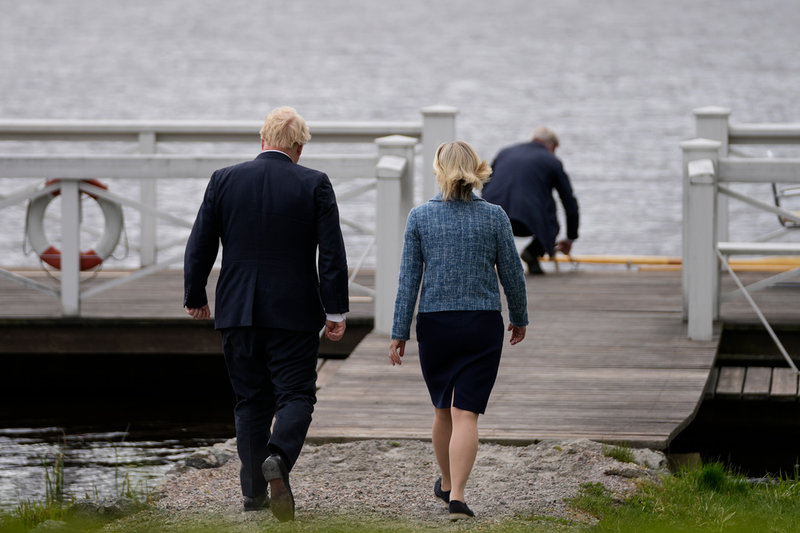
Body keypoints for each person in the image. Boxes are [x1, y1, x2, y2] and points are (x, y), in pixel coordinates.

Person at [183, 106, 349, 522]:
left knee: (250, 401)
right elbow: (331, 254)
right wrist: (336, 311)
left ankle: (253, 494)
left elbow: (200, 241)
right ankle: (278, 455)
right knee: (296, 395)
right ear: (299, 146)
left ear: (263, 140)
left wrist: (195, 294)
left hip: (237, 309)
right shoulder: (314, 183)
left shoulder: (224, 179)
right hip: (293, 312)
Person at [388, 141, 528, 520]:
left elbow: (408, 281)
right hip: (481, 323)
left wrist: (398, 331)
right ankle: (458, 496)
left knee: (442, 410)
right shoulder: (495, 216)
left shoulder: (419, 217)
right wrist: (520, 316)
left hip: (435, 324)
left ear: (438, 170)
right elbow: (513, 273)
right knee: (466, 413)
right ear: (476, 169)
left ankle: (447, 482)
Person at [481, 126, 579, 274]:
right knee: (552, 222)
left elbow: (485, 182)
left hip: (490, 217)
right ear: (551, 146)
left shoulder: (505, 152)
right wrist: (571, 237)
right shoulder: (552, 161)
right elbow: (569, 202)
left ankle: (487, 260)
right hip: (526, 222)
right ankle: (532, 253)